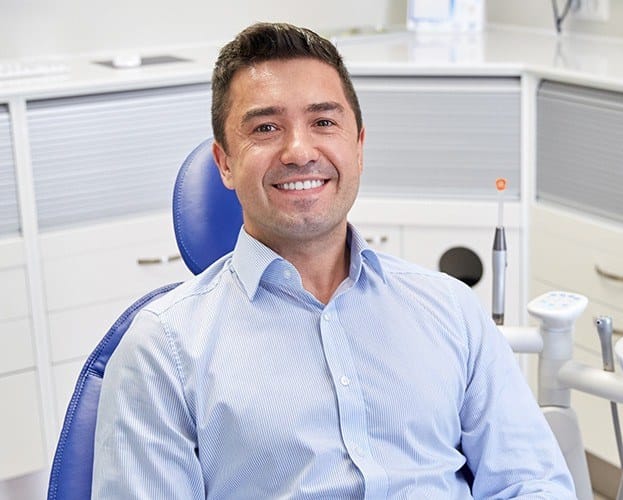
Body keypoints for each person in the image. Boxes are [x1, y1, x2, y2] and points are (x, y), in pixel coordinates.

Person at [92, 22, 576, 499]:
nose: (300, 151)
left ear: (358, 147)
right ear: (225, 163)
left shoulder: (451, 310)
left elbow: (531, 483)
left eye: (324, 122)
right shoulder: (162, 352)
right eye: (266, 127)